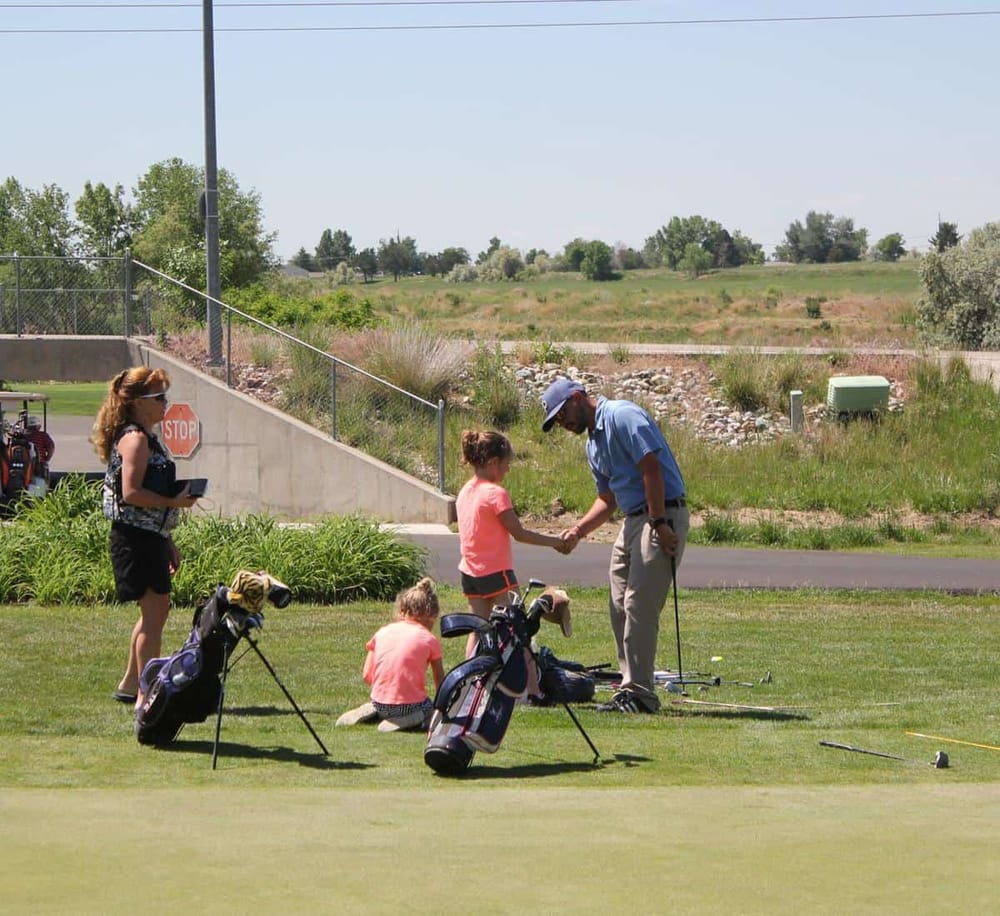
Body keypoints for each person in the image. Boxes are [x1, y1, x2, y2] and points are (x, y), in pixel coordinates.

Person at [541, 377, 690, 714]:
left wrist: (660, 523)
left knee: (639, 604)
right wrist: (578, 531)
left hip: (660, 515)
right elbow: (607, 499)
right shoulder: (592, 443)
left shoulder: (623, 416)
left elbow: (650, 468)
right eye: (556, 421)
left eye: (562, 415)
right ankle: (629, 686)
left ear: (577, 398)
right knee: (618, 602)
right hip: (633, 520)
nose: (562, 424)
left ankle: (641, 695)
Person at [91, 367, 200, 708]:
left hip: (149, 536)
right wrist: (174, 502)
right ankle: (145, 694)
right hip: (134, 539)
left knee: (152, 615)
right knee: (155, 617)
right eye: (159, 398)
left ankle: (129, 685)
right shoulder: (135, 439)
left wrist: (167, 540)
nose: (165, 403)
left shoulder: (148, 438)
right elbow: (131, 492)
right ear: (138, 403)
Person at [456, 429, 570, 658]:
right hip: (496, 574)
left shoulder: (465, 491)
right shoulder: (495, 493)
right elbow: (518, 533)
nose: (508, 469)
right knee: (516, 630)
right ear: (493, 462)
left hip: (469, 573)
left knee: (478, 630)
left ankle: (470, 680)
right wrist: (556, 542)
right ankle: (529, 688)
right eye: (507, 463)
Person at [336, 577, 445, 732]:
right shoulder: (430, 640)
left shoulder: (382, 632)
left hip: (379, 701)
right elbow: (440, 682)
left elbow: (367, 675)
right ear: (432, 616)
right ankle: (409, 718)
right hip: (410, 705)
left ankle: (375, 710)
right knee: (430, 708)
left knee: (380, 704)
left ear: (402, 610)